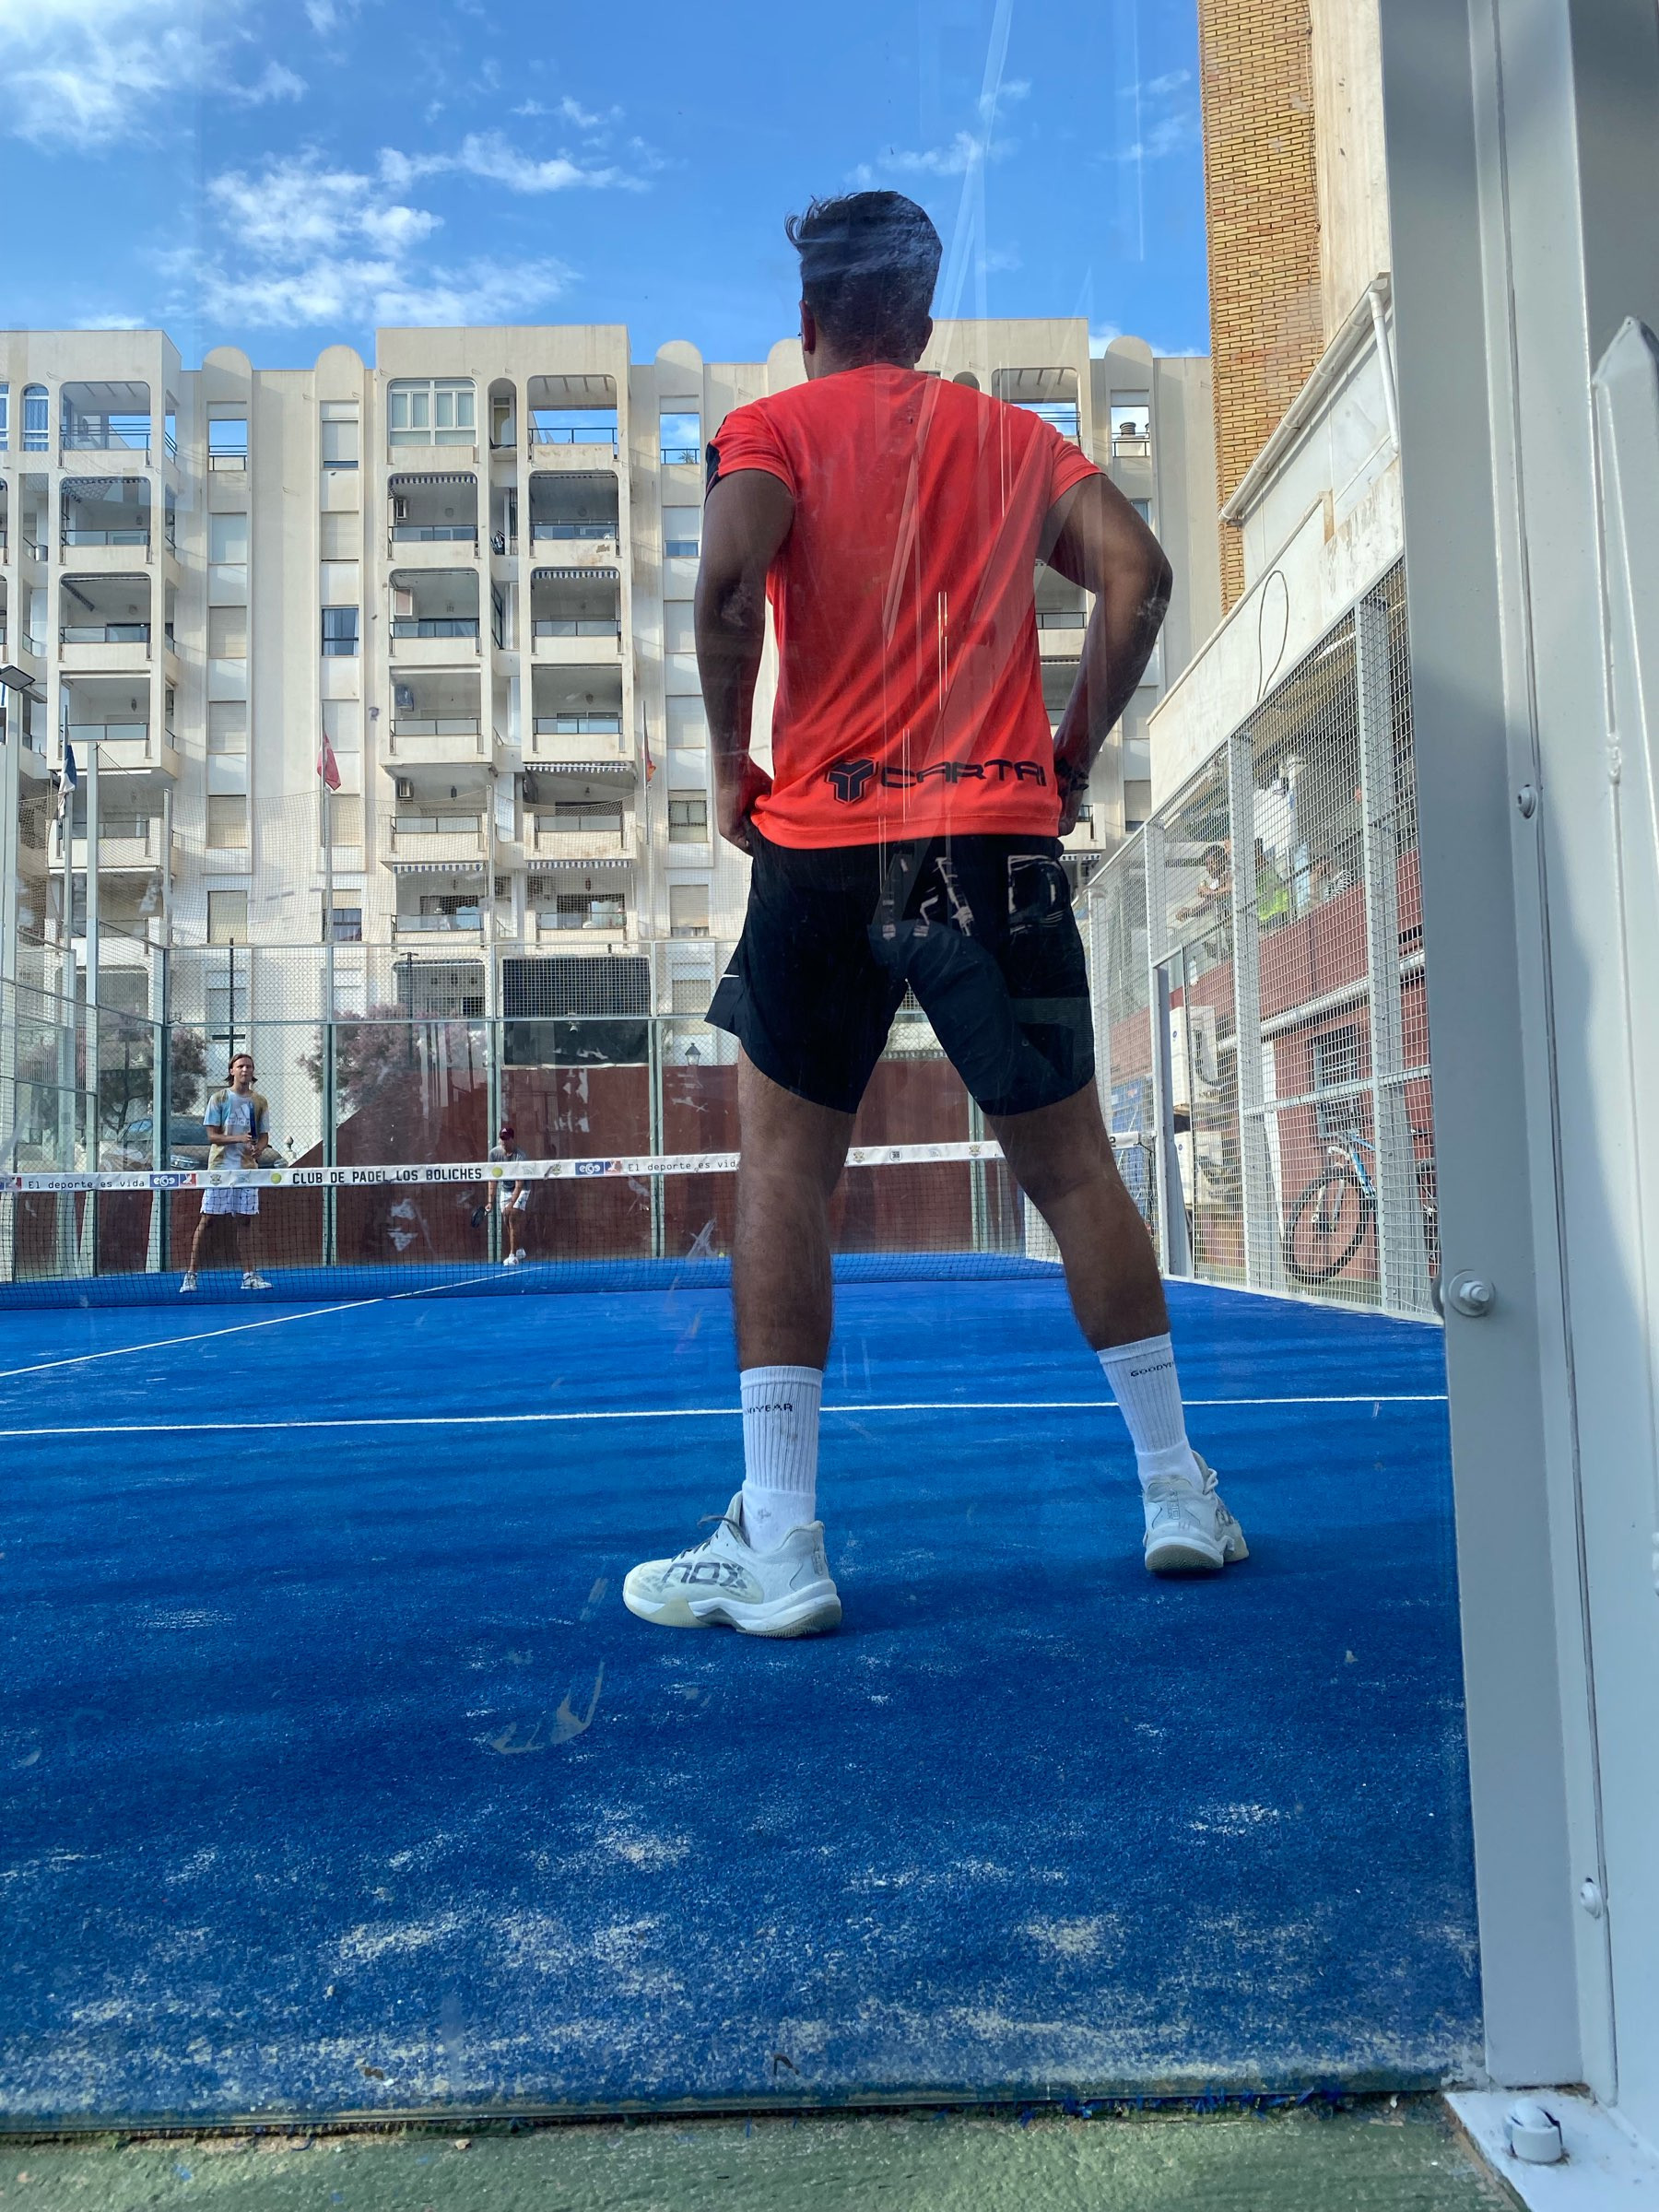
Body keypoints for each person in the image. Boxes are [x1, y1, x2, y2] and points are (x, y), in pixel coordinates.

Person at [622, 191, 1247, 1640]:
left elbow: (728, 585)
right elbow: (1143, 579)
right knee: (1074, 1172)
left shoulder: (774, 430)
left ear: (810, 319)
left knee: (786, 1172)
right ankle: (1176, 1492)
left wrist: (730, 765)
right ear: (918, 314)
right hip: (995, 847)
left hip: (827, 846)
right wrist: (1067, 756)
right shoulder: (1007, 437)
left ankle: (781, 1538)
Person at [181, 1052, 273, 1293]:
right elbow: (212, 1136)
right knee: (208, 1220)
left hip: (247, 1171)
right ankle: (191, 1275)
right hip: (220, 1170)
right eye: (240, 1066)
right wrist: (238, 1138)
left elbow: (264, 1136)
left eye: (249, 1066)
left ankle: (249, 1276)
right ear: (232, 1071)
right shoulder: (219, 1099)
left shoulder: (260, 1102)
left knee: (245, 1221)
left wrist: (259, 1148)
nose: (245, 1070)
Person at [485, 1121, 530, 1265]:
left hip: (522, 1189)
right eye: (501, 1139)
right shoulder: (494, 1154)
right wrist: (490, 1201)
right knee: (506, 1219)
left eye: (506, 1139)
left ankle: (512, 1256)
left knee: (512, 1217)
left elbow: (519, 1184)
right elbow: (492, 1180)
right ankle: (519, 1248)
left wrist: (511, 1203)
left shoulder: (520, 1157)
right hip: (505, 1189)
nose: (503, 1142)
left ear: (512, 1139)